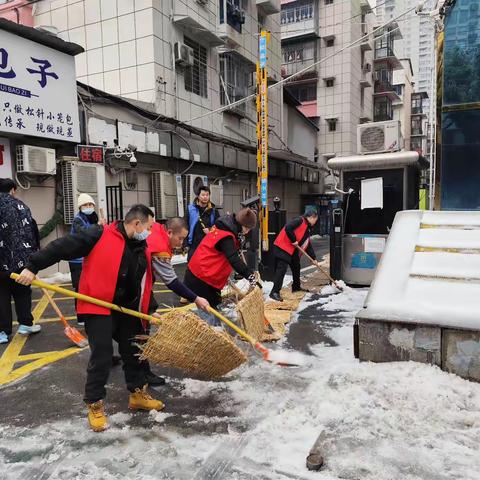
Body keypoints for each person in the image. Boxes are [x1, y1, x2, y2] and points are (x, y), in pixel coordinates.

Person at [15, 204, 164, 432]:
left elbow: (144, 282)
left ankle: (137, 394)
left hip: (127, 308)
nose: (151, 232)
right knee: (103, 355)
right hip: (99, 305)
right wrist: (33, 266)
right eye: (150, 227)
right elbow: (62, 247)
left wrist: (150, 308)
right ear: (137, 224)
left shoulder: (140, 246)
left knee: (135, 350)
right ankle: (95, 404)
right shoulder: (99, 234)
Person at [143, 218, 210, 384]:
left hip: (142, 286)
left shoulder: (158, 231)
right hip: (133, 286)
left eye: (184, 239)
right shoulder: (159, 248)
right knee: (139, 329)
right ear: (170, 232)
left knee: (142, 324)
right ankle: (141, 375)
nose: (181, 243)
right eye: (179, 238)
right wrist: (195, 298)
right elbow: (171, 281)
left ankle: (142, 372)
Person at [184, 208, 259, 323]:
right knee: (209, 315)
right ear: (240, 224)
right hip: (201, 277)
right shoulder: (226, 236)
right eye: (247, 228)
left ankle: (212, 332)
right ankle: (207, 336)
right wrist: (249, 275)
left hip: (205, 276)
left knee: (214, 309)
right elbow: (234, 259)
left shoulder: (227, 229)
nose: (247, 232)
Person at [0, 178, 40, 344]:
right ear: (13, 190)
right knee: (23, 292)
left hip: (1, 262)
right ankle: (25, 324)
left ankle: (3, 331)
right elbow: (33, 231)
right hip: (22, 261)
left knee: (1, 296)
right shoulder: (22, 206)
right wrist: (33, 260)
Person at [269, 207, 319, 302]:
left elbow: (307, 244)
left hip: (291, 249)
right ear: (312, 217)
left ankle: (296, 287)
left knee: (296, 266)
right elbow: (288, 227)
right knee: (282, 269)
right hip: (282, 247)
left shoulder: (306, 227)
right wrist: (293, 240)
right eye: (315, 220)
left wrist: (313, 258)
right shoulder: (300, 220)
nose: (315, 222)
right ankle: (274, 292)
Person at [69, 193, 105, 323]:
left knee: (89, 287)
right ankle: (81, 317)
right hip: (77, 259)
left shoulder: (93, 218)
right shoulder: (78, 220)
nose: (88, 207)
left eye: (90, 204)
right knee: (80, 289)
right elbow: (85, 234)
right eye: (85, 205)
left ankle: (89, 313)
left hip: (88, 258)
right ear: (80, 207)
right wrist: (98, 226)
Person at [184, 185, 220, 261]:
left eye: (207, 195)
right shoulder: (190, 209)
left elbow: (219, 226)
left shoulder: (213, 210)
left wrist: (210, 230)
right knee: (191, 265)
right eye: (203, 195)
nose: (205, 197)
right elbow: (185, 225)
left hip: (208, 245)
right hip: (194, 244)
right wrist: (185, 243)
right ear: (198, 196)